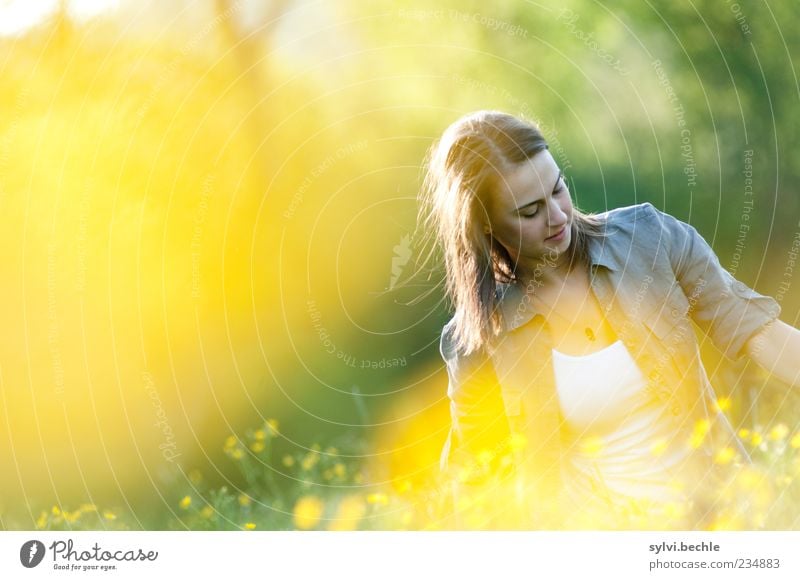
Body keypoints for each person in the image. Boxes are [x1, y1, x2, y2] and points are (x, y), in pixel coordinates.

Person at [418, 110, 800, 530]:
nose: (558, 216)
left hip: (720, 521)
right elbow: (477, 481)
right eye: (530, 212)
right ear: (484, 226)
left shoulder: (648, 239)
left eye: (557, 189)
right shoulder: (478, 339)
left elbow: (756, 329)